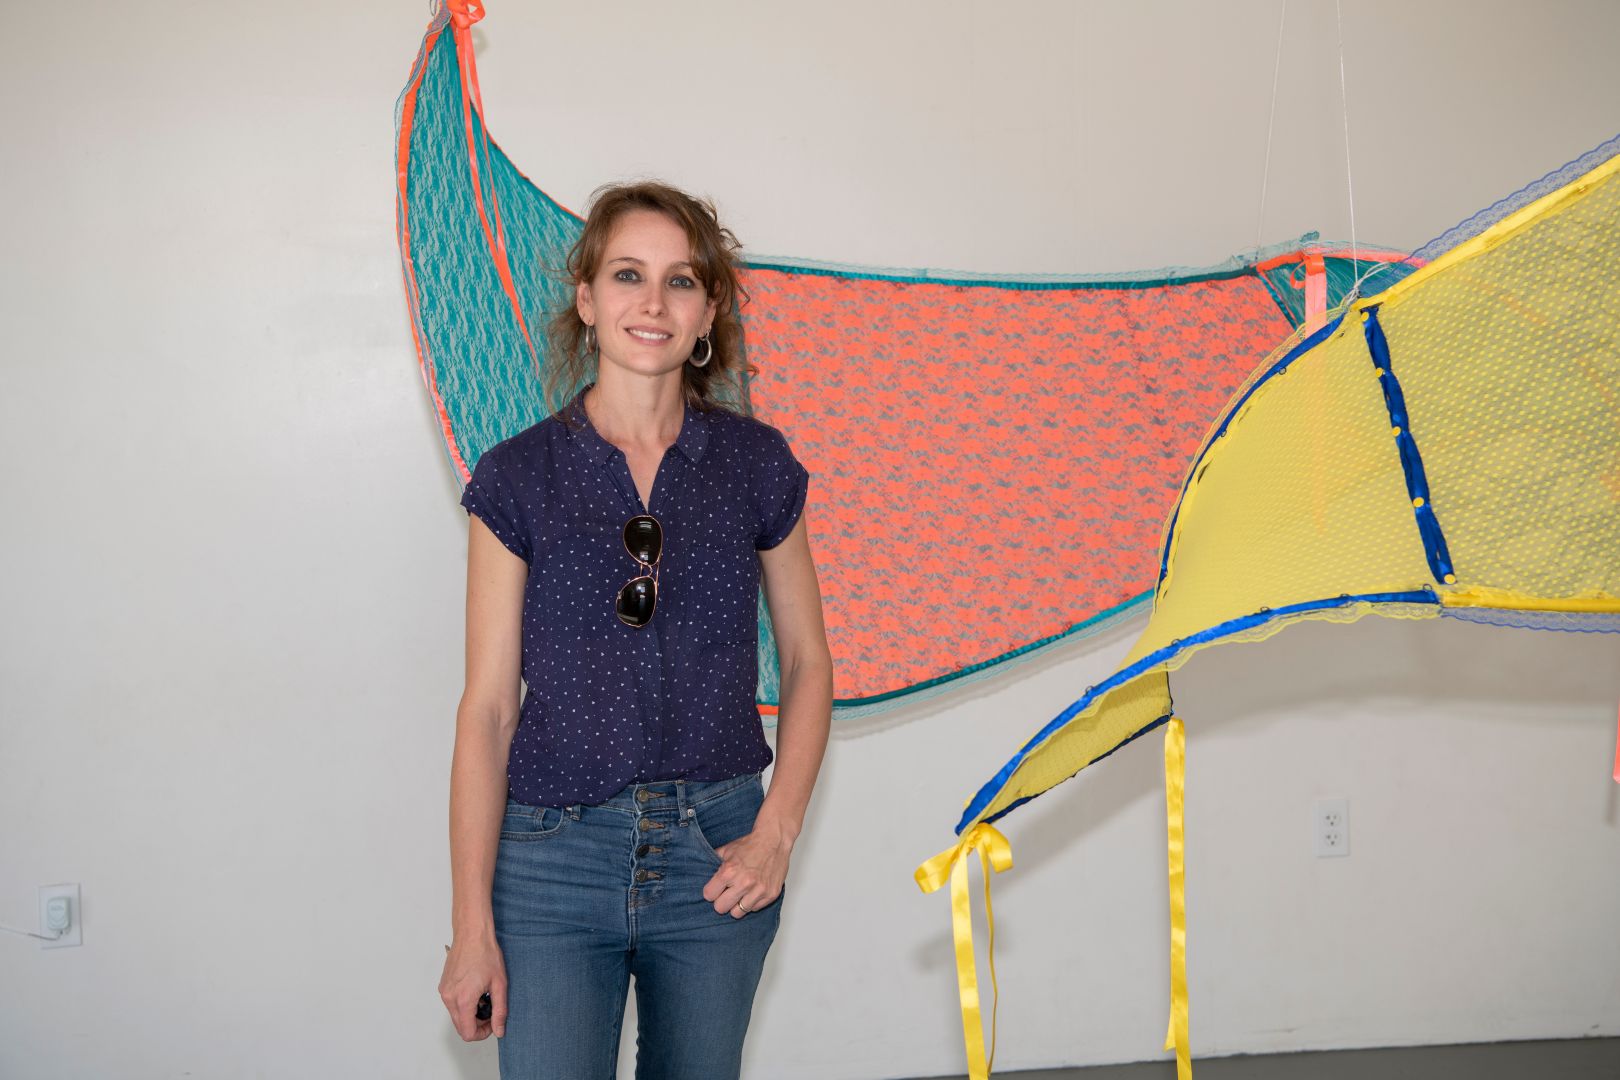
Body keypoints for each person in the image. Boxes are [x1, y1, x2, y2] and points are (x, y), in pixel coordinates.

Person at [437, 180, 834, 1079]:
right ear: (586, 299)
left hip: (717, 856)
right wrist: (471, 927)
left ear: (709, 311)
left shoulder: (756, 463)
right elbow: (488, 711)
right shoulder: (517, 476)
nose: (653, 303)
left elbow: (809, 662)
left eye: (680, 280)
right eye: (627, 275)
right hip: (550, 863)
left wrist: (776, 832)